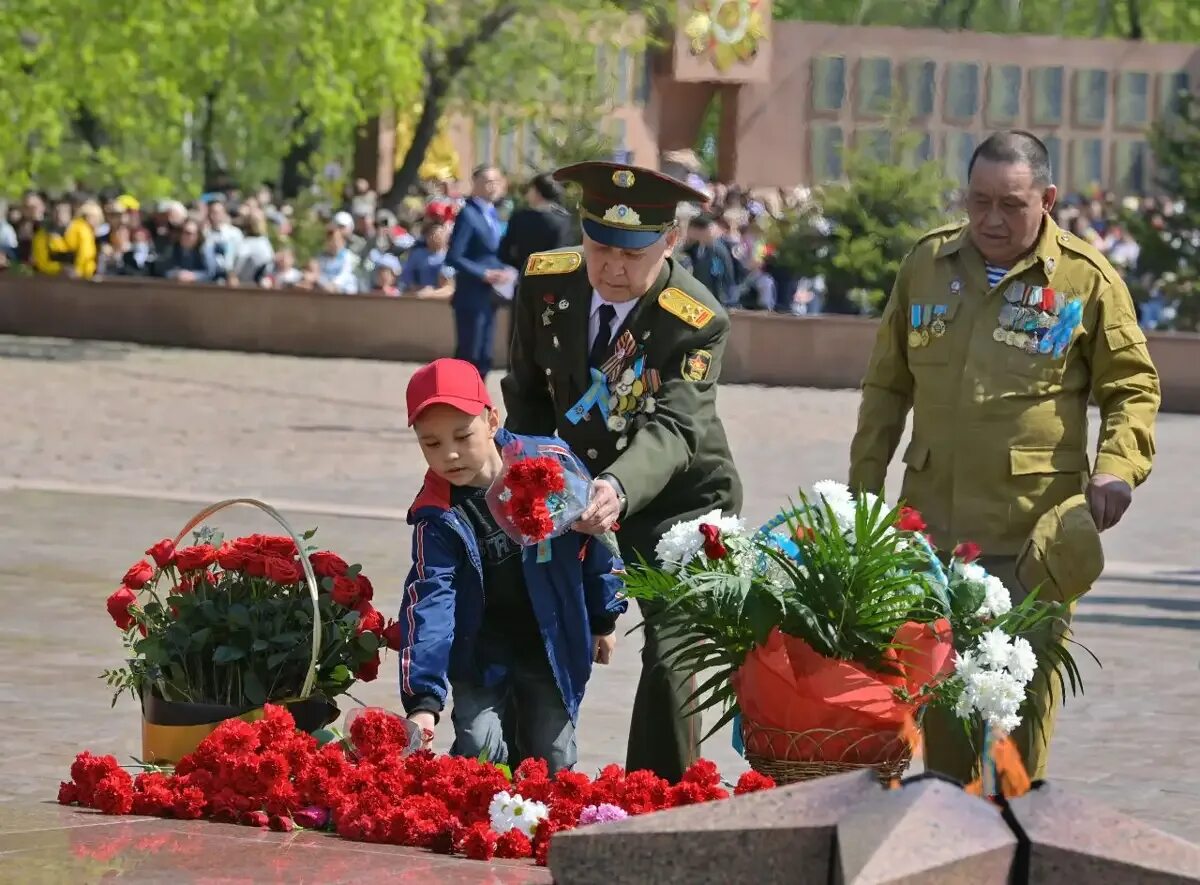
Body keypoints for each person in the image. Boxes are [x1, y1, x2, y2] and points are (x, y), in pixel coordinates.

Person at [848, 129, 1160, 783]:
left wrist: (1116, 466)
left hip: (1032, 546)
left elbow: (1132, 386)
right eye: (979, 200)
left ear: (1046, 199)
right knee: (941, 722)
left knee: (1017, 734)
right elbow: (886, 385)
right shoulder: (927, 265)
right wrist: (865, 489)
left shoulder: (1086, 278)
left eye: (1011, 204)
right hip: (929, 539)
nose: (992, 219)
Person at [501, 161, 743, 782]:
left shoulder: (695, 318)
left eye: (631, 254)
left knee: (671, 655)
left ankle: (655, 803)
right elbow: (527, 396)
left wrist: (618, 486)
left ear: (670, 241)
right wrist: (529, 488)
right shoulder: (545, 285)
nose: (611, 268)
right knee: (522, 620)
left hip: (680, 505)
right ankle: (521, 782)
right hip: (577, 495)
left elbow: (676, 427)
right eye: (598, 247)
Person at [399, 358, 626, 774]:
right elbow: (431, 599)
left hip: (549, 642)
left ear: (491, 419)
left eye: (462, 435)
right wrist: (423, 702)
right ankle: (485, 825)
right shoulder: (437, 515)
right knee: (478, 747)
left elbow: (596, 540)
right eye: (431, 444)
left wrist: (604, 617)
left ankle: (544, 832)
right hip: (480, 650)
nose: (449, 453)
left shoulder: (548, 464)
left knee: (553, 756)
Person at [446, 166, 517, 377]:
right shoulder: (468, 214)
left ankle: (479, 404)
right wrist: (483, 273)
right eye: (487, 181)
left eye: (496, 181)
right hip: (471, 295)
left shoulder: (493, 213)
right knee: (470, 355)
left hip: (490, 296)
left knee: (484, 355)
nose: (492, 186)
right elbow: (454, 256)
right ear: (474, 184)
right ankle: (461, 404)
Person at [500, 172, 574, 276]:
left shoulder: (520, 217)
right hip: (551, 279)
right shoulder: (563, 220)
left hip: (522, 277)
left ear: (536, 192)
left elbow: (505, 251)